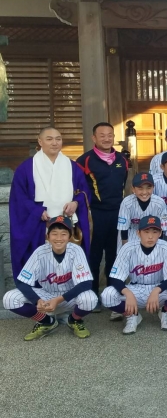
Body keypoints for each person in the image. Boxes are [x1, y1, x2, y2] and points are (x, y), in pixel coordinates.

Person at [9, 126, 91, 278]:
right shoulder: (26, 168)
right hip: (39, 225)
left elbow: (84, 191)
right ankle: (38, 290)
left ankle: (68, 289)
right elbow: (19, 197)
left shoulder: (72, 166)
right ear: (40, 142)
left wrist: (76, 203)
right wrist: (37, 211)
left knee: (68, 264)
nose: (55, 143)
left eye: (58, 139)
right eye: (49, 139)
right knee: (39, 264)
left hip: (66, 223)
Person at [3, 216, 97, 340]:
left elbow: (86, 283)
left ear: (69, 236)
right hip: (46, 296)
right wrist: (37, 300)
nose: (59, 238)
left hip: (69, 297)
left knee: (90, 299)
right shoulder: (40, 252)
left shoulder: (76, 250)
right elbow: (22, 282)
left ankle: (74, 320)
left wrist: (58, 300)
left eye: (63, 234)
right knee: (9, 299)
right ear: (47, 236)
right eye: (54, 234)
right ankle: (47, 321)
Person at [101, 215, 167, 334]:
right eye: (146, 232)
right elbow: (115, 278)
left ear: (160, 233)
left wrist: (156, 290)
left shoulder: (165, 247)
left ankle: (166, 312)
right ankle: (132, 315)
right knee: (107, 295)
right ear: (138, 233)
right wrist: (127, 293)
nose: (150, 236)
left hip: (159, 289)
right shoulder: (128, 248)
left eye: (154, 232)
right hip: (135, 289)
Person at [76, 122, 128, 301]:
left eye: (110, 135)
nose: (106, 139)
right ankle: (92, 294)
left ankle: (112, 293)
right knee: (94, 255)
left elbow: (123, 183)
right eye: (102, 135)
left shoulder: (122, 159)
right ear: (94, 138)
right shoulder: (84, 160)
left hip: (118, 213)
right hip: (96, 214)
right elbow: (78, 187)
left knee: (114, 254)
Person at [117, 172, 167, 251]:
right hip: (131, 233)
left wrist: (157, 248)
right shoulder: (127, 202)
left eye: (148, 188)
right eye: (140, 188)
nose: (144, 192)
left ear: (153, 188)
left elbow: (162, 229)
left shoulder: (160, 203)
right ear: (133, 189)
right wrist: (125, 249)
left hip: (151, 234)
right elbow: (123, 228)